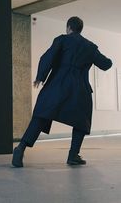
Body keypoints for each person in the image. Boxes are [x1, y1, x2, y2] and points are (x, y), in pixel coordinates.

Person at [12, 16, 112, 167]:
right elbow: (106, 64)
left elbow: (48, 57)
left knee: (41, 115)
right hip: (79, 89)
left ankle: (20, 148)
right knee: (81, 121)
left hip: (57, 85)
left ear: (68, 28)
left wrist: (40, 77)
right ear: (80, 29)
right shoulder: (90, 47)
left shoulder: (62, 40)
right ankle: (73, 155)